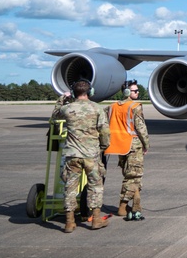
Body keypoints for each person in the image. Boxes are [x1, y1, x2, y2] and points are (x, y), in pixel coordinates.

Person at [51, 80, 110, 233]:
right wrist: (103, 147)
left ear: (73, 92)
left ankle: (69, 223)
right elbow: (104, 131)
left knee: (70, 188)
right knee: (95, 186)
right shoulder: (97, 108)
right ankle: (96, 220)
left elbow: (54, 117)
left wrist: (63, 98)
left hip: (72, 155)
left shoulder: (67, 108)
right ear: (90, 92)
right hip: (91, 154)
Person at [104, 80, 150, 221]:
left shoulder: (111, 107)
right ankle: (124, 206)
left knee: (129, 175)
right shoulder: (135, 106)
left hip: (118, 146)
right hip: (132, 145)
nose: (138, 93)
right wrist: (146, 144)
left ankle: (133, 205)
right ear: (128, 93)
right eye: (135, 91)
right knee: (134, 177)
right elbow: (141, 128)